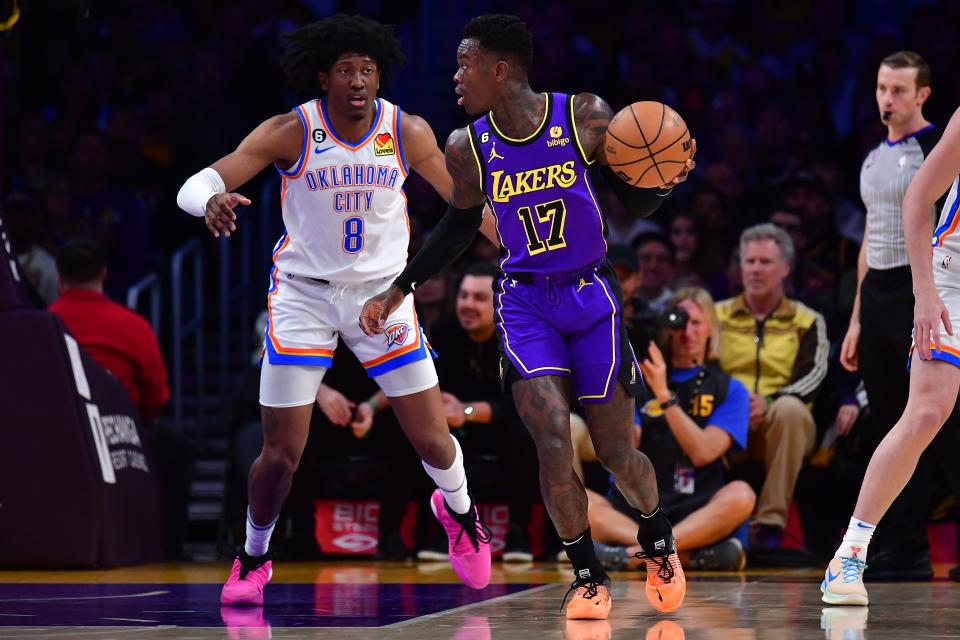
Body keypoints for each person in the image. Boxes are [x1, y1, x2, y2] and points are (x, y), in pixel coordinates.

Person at [359, 14, 695, 619]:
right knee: (550, 442)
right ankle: (587, 573)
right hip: (524, 301)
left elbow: (634, 194)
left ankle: (656, 534)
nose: (456, 76)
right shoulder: (468, 147)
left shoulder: (585, 116)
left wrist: (665, 179)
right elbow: (459, 226)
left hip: (592, 294)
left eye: (466, 64)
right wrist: (399, 287)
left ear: (501, 68)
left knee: (618, 452)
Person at [176, 15, 492, 606]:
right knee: (281, 454)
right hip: (305, 295)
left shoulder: (408, 130)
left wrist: (526, 252)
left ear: (380, 76)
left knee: (432, 440)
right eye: (345, 69)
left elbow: (468, 205)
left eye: (367, 69)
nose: (357, 80)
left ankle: (459, 511)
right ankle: (253, 556)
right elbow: (194, 183)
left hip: (384, 295)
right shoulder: (292, 130)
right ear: (324, 76)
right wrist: (212, 198)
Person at [821, 104, 960, 606]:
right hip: (952, 274)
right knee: (925, 411)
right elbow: (919, 195)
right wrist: (924, 292)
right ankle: (850, 556)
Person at [581, 287, 754, 572]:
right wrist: (617, 373)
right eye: (680, 323)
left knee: (742, 494)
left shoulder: (729, 388)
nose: (687, 332)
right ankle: (679, 556)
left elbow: (703, 452)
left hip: (696, 506)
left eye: (696, 323)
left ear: (711, 329)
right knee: (579, 500)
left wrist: (664, 395)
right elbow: (624, 447)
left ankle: (635, 555)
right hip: (638, 507)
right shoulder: (638, 379)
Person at [716, 224, 828, 547]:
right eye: (749, 261)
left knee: (790, 410)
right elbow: (701, 367)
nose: (755, 269)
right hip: (726, 420)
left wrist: (768, 401)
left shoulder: (806, 320)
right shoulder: (717, 314)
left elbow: (813, 377)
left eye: (765, 262)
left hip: (780, 427)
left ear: (785, 268)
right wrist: (735, 404)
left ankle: (769, 526)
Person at [426, 262, 540, 562]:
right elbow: (430, 385)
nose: (468, 305)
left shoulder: (517, 336)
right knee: (430, 433)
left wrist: (467, 411)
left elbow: (523, 401)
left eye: (479, 298)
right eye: (463, 296)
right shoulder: (443, 331)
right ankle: (445, 530)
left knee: (523, 432)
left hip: (503, 424)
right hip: (457, 425)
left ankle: (519, 532)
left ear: (498, 301)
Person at [49, 238, 169, 423]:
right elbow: (155, 396)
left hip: (60, 431)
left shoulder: (43, 326)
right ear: (104, 274)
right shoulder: (135, 326)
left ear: (59, 279)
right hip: (124, 433)